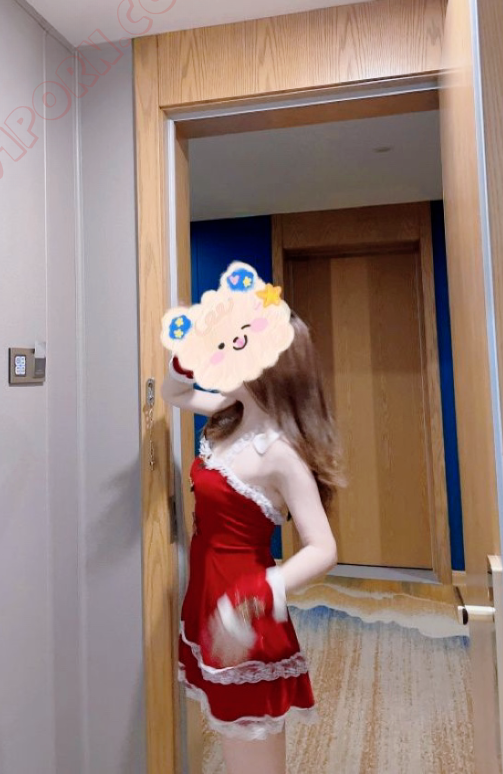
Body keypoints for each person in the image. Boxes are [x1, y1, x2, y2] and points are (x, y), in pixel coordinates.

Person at [161, 304, 344, 774]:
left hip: (245, 608)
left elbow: (324, 548)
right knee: (232, 742)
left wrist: (258, 594)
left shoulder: (281, 455)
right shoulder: (230, 411)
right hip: (207, 595)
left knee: (251, 754)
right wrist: (186, 353)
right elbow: (173, 392)